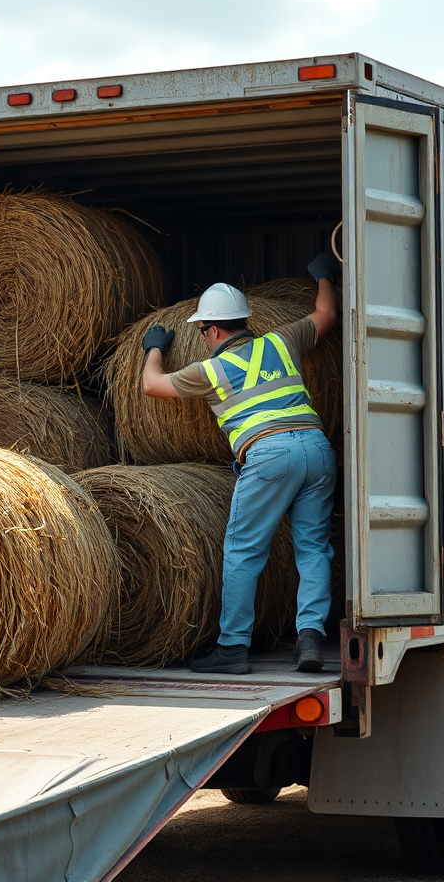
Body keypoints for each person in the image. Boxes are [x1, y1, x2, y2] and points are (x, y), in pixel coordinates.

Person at [141, 253, 341, 675]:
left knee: (243, 551)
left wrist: (155, 349)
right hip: (317, 449)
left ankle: (232, 647)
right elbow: (327, 312)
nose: (200, 336)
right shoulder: (282, 341)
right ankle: (310, 639)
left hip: (270, 453)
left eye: (201, 330)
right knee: (314, 548)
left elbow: (150, 386)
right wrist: (324, 274)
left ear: (212, 329)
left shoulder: (212, 370)